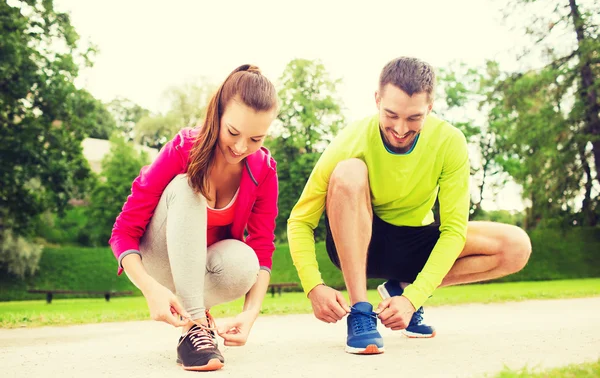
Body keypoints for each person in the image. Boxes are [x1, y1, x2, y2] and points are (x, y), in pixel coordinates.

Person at [287, 56, 532, 355]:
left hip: (415, 243)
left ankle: (400, 289)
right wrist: (313, 285)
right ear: (377, 100)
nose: (401, 129)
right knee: (348, 171)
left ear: (429, 107)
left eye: (414, 118)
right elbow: (300, 220)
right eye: (391, 114)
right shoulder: (351, 138)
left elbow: (454, 230)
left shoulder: (450, 142)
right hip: (361, 240)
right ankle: (361, 312)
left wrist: (412, 297)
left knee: (516, 246)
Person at [109, 64, 279, 371]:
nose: (241, 147)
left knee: (246, 261)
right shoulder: (184, 146)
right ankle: (196, 328)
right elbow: (123, 231)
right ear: (218, 115)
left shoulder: (264, 170)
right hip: (158, 258)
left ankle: (197, 317)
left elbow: (264, 246)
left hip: (201, 268)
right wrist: (150, 288)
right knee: (188, 186)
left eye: (256, 139)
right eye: (233, 132)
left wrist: (251, 313)